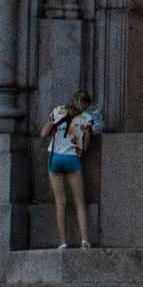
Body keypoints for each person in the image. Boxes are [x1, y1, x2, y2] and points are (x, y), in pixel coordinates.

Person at [41, 99, 102, 249]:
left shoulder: (57, 111)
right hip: (72, 159)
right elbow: (85, 147)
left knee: (60, 202)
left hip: (54, 158)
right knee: (79, 202)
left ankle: (62, 242)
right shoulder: (86, 118)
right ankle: (84, 240)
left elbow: (43, 134)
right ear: (85, 105)